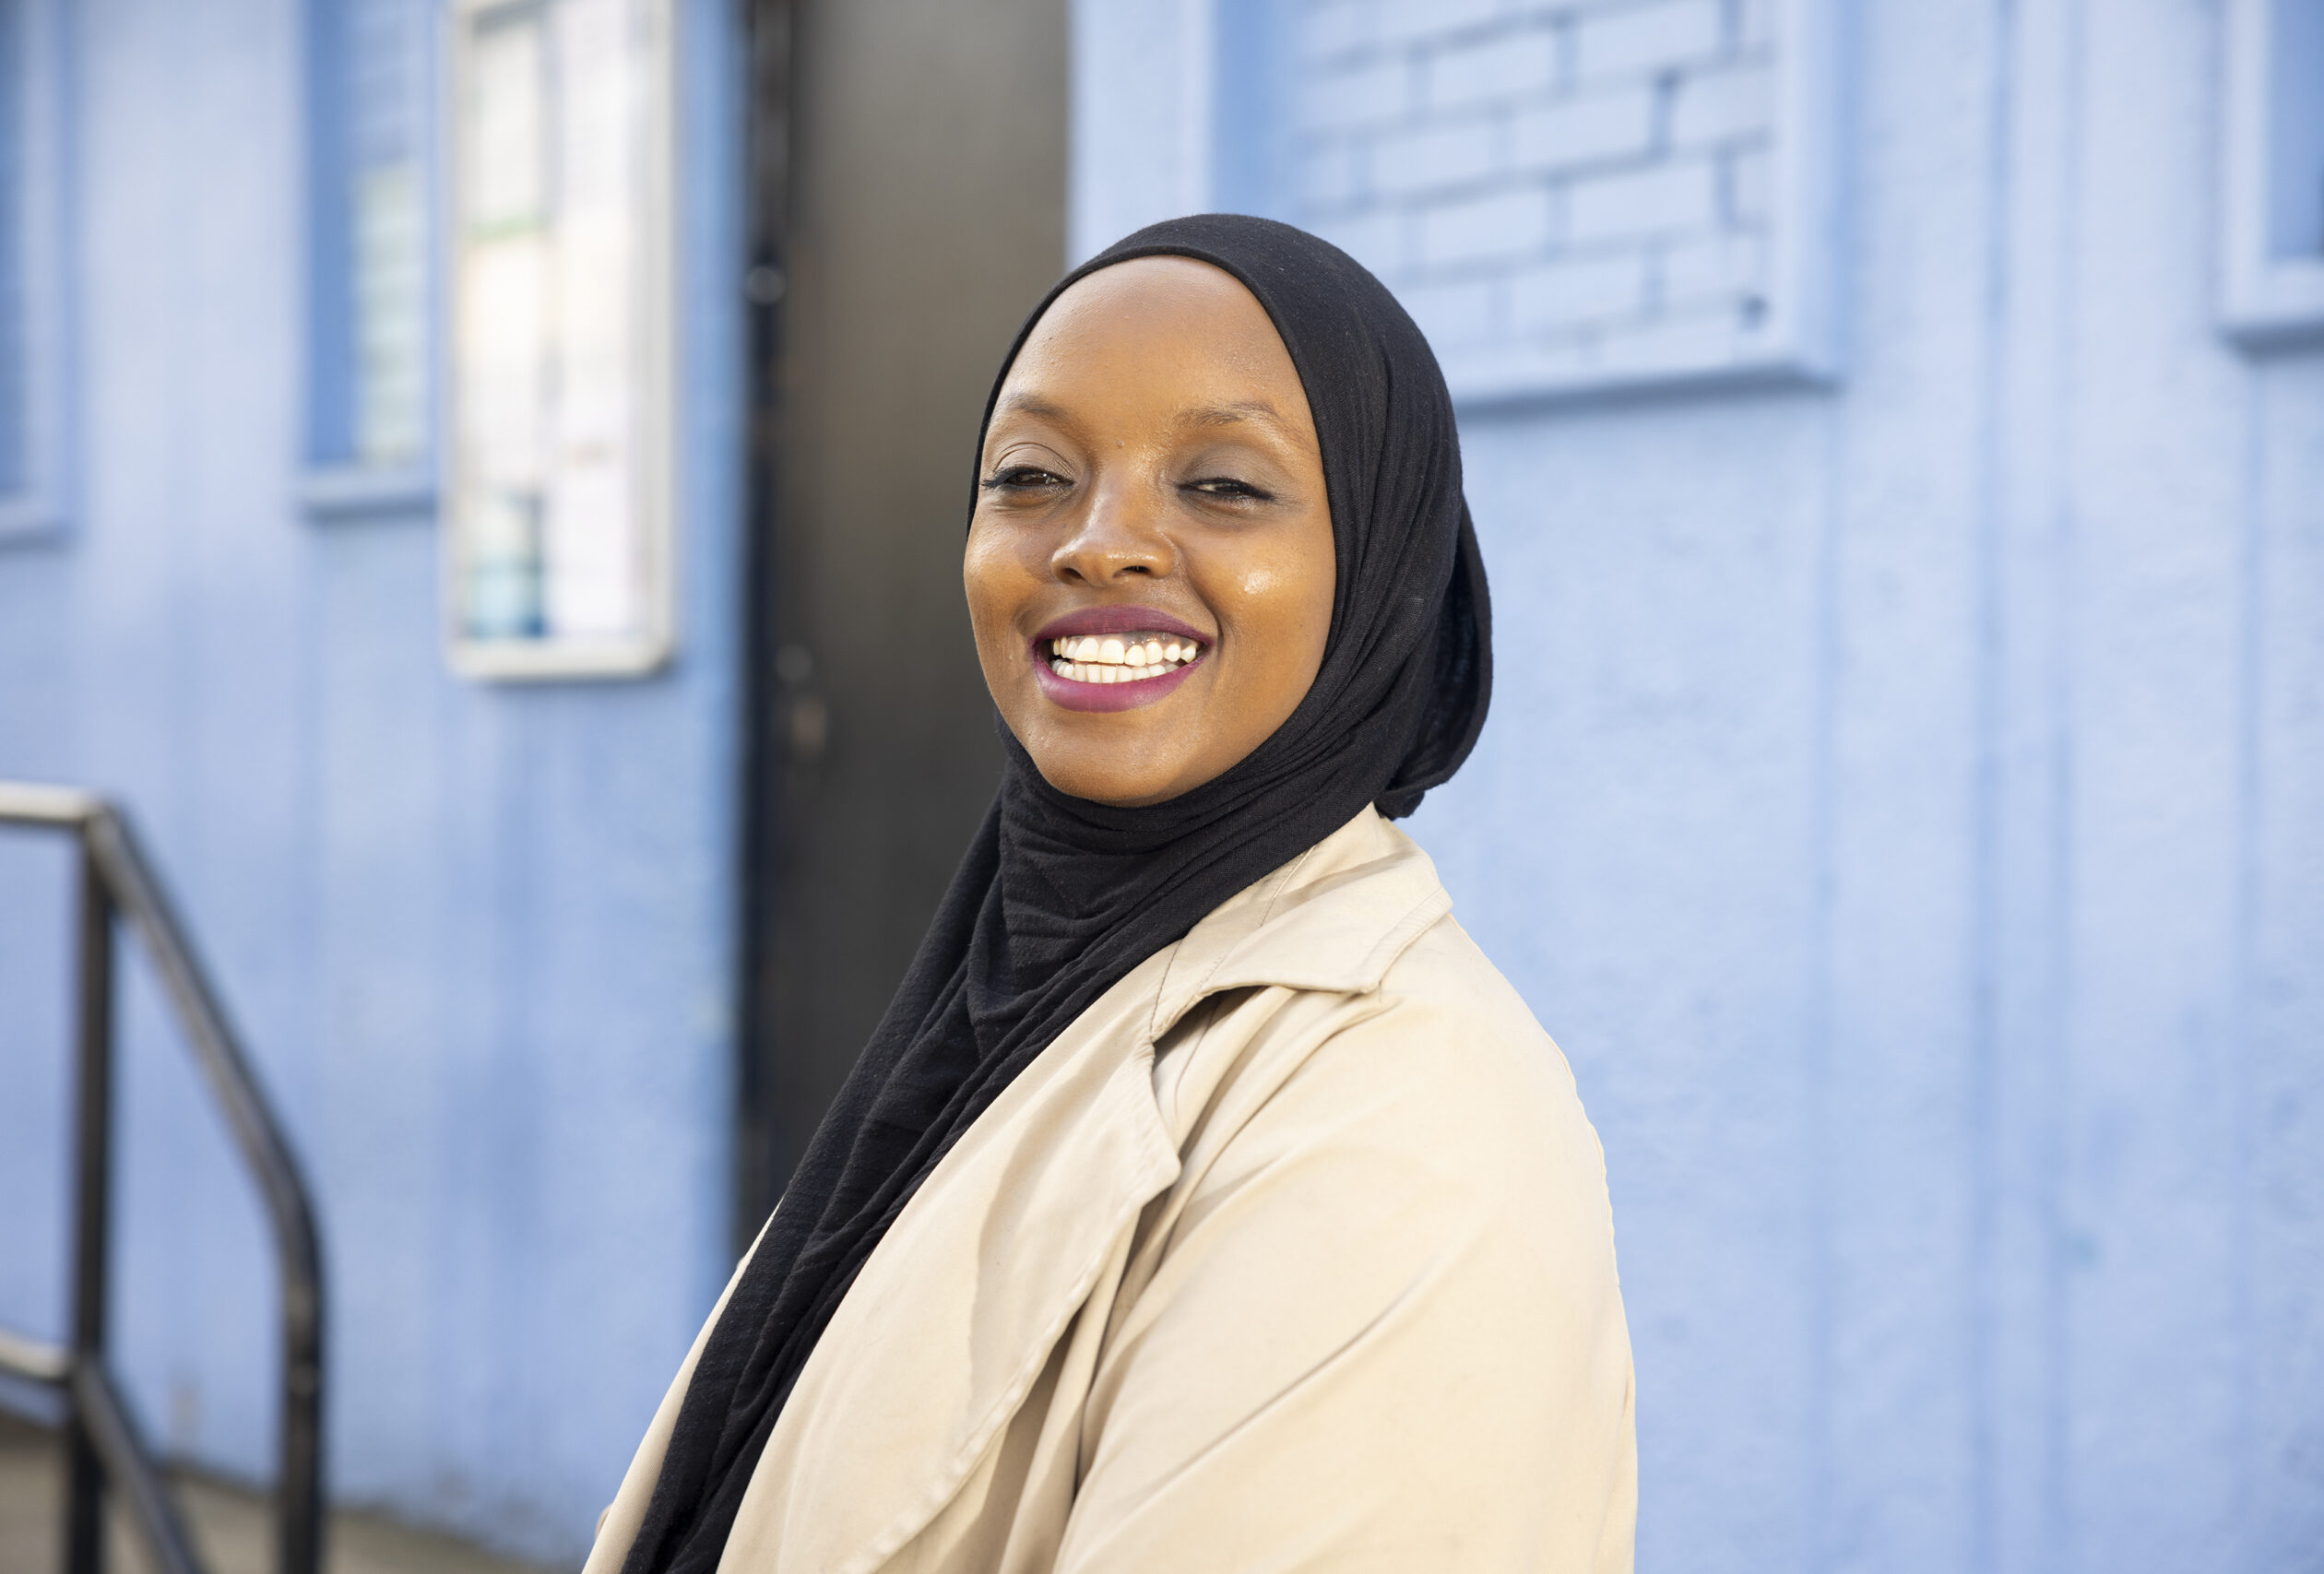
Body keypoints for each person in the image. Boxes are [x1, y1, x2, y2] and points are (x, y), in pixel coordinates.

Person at [585, 214, 1636, 1573]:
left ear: (1381, 571)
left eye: (1224, 485)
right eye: (1031, 474)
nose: (1099, 543)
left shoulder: (1402, 1118)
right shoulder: (1008, 997)